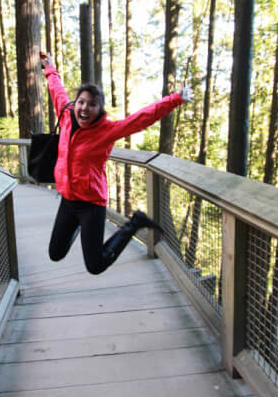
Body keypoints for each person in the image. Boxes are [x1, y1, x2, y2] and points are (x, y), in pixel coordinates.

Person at [40, 50, 191, 275]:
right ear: (76, 102)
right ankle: (80, 227)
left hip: (91, 203)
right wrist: (49, 68)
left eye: (92, 105)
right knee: (55, 253)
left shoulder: (107, 131)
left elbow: (141, 118)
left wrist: (176, 99)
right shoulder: (65, 115)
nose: (84, 108)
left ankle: (134, 223)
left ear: (99, 110)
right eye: (81, 102)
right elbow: (56, 89)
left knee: (96, 265)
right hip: (68, 199)